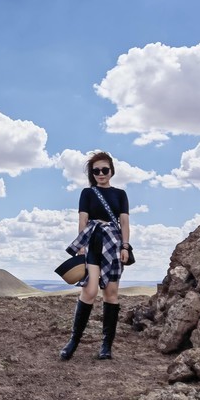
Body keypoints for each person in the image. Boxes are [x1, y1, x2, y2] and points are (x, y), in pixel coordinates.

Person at [59, 150, 131, 360]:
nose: (101, 173)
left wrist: (125, 246)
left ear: (111, 171)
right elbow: (83, 219)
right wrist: (81, 245)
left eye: (104, 169)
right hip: (93, 242)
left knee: (111, 292)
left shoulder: (120, 194)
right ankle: (73, 341)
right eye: (96, 170)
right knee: (89, 291)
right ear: (92, 173)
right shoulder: (87, 193)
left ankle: (106, 346)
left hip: (114, 244)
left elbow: (124, 222)